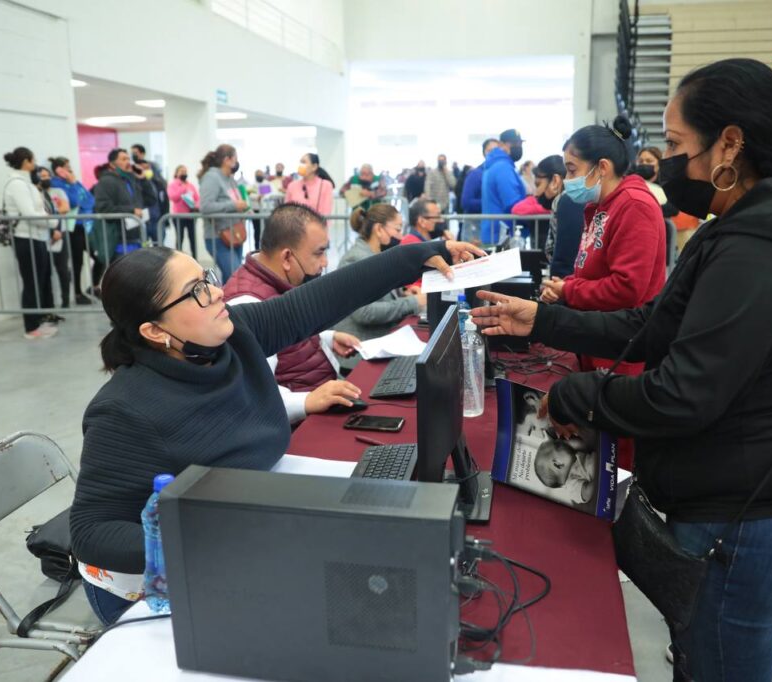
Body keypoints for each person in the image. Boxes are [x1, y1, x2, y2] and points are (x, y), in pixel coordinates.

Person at [470, 58, 772, 682]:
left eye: (674, 145)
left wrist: (576, 394)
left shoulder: (764, 247)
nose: (665, 162)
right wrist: (541, 322)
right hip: (753, 494)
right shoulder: (754, 226)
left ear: (730, 143)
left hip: (759, 512)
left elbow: (681, 396)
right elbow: (652, 324)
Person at [69, 234, 483, 625]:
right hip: (151, 586)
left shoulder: (234, 336)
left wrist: (416, 255)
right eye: (195, 291)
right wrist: (207, 536)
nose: (216, 293)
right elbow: (91, 531)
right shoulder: (123, 410)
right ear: (155, 331)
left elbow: (319, 300)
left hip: (243, 514)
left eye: (207, 279)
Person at [539, 116, 666, 376]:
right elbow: (594, 270)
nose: (567, 179)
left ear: (602, 167)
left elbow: (626, 287)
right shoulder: (600, 205)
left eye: (572, 169)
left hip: (622, 351)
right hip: (599, 338)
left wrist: (569, 289)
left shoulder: (634, 206)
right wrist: (564, 287)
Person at [222, 204, 364, 424]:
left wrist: (327, 337)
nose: (325, 263)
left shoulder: (279, 279)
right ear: (287, 258)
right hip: (299, 424)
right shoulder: (249, 302)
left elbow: (284, 336)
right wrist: (308, 400)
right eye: (319, 252)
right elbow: (254, 394)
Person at [335, 204, 424, 369]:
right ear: (379, 229)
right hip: (359, 357)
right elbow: (364, 312)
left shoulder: (374, 256)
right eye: (397, 229)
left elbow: (376, 294)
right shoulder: (357, 261)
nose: (401, 236)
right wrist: (415, 302)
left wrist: (404, 294)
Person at [2, 147, 57, 339]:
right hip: (26, 239)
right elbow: (29, 213)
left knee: (39, 281)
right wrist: (52, 221)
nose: (35, 163)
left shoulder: (26, 183)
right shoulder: (17, 184)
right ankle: (31, 327)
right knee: (31, 282)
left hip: (38, 237)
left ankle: (38, 322)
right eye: (33, 159)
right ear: (26, 161)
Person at [91, 148, 144, 290]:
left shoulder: (130, 180)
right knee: (123, 278)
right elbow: (103, 208)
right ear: (113, 164)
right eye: (123, 159)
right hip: (118, 239)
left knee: (136, 277)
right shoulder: (105, 182)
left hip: (134, 236)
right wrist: (130, 211)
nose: (128, 162)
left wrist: (143, 178)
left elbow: (150, 199)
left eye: (128, 159)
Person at [527, 155, 585, 279]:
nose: (535, 193)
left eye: (538, 185)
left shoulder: (564, 200)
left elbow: (564, 257)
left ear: (555, 181)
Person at [198, 143, 249, 283]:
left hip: (235, 233)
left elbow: (235, 201)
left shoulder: (230, 178)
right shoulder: (211, 177)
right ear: (227, 160)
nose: (236, 162)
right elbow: (206, 207)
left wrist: (243, 207)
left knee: (233, 278)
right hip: (218, 236)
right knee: (236, 276)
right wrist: (233, 205)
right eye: (235, 158)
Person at [49, 156, 95, 305]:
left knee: (94, 256)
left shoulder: (74, 182)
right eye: (67, 167)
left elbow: (89, 200)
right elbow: (74, 202)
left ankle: (87, 288)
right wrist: (72, 183)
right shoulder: (56, 184)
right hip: (71, 227)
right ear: (59, 170)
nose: (70, 170)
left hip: (83, 225)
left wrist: (74, 183)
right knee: (76, 261)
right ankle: (76, 293)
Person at [34, 166, 71, 312]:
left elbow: (65, 208)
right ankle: (47, 305)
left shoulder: (58, 191)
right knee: (45, 271)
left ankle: (66, 300)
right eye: (42, 176)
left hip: (61, 233)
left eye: (47, 175)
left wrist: (50, 214)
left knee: (63, 269)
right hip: (44, 236)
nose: (45, 178)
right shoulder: (36, 194)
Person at [481, 129, 528, 245]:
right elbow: (512, 203)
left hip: (494, 232)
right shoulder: (503, 168)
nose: (518, 146)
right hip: (502, 236)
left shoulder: (494, 165)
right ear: (501, 144)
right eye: (513, 143)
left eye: (519, 143)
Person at [167, 165, 199, 258]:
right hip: (178, 217)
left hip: (191, 215)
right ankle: (178, 259)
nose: (184, 173)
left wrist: (196, 206)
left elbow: (197, 198)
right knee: (180, 238)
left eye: (185, 171)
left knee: (193, 239)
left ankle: (195, 259)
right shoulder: (173, 185)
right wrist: (183, 188)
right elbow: (173, 197)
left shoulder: (191, 185)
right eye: (181, 171)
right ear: (176, 173)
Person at [461, 139, 499, 214]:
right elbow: (466, 202)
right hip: (479, 222)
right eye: (490, 150)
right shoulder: (476, 174)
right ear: (484, 153)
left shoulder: (503, 173)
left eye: (497, 151)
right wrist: (492, 203)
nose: (494, 154)